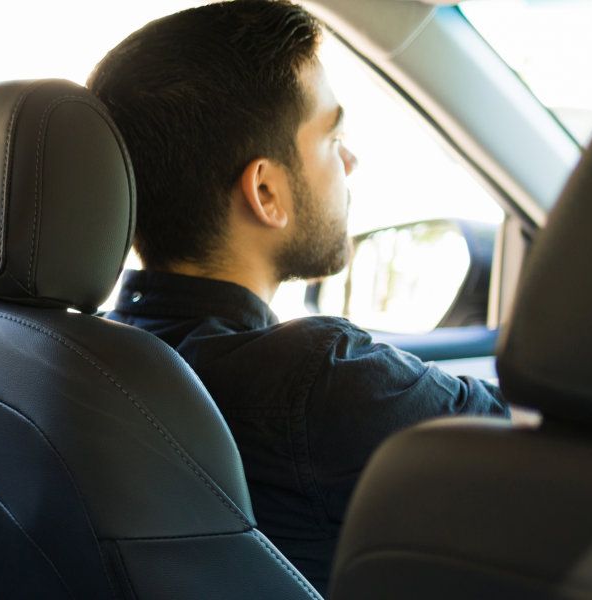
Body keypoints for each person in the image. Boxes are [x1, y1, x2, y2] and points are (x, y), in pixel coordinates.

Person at [86, 0, 510, 591]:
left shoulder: (85, 358)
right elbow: (535, 446)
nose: (351, 160)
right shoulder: (317, 381)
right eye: (332, 136)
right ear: (266, 191)